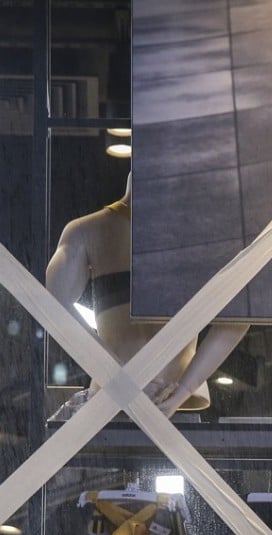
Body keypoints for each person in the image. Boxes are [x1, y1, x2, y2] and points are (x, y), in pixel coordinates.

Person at [46, 174, 249, 418]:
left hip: (148, 398)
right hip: (147, 398)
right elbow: (53, 305)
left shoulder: (87, 231)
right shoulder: (87, 231)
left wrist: (177, 389)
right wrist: (181, 388)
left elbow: (54, 305)